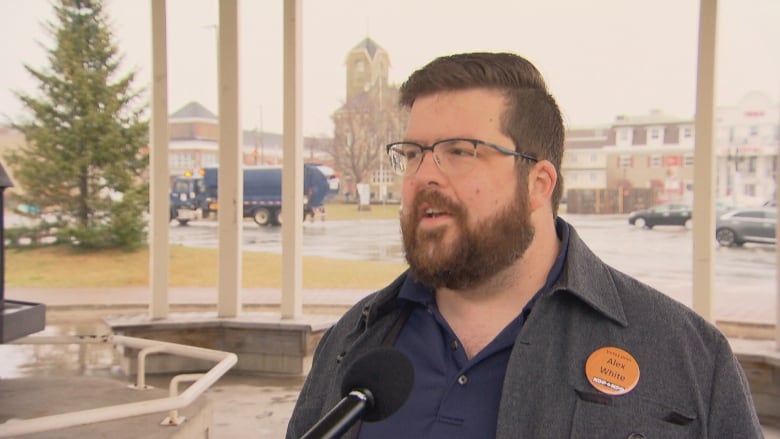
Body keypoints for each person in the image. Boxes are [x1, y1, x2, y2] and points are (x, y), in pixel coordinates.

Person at [286, 52, 762, 438]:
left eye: (459, 151)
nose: (422, 175)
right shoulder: (353, 340)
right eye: (411, 154)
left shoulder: (688, 357)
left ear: (538, 183)